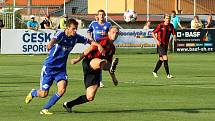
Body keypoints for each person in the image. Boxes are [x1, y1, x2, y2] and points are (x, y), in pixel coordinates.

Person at [25, 18, 104, 115]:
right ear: (67, 28)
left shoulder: (76, 37)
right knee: (43, 94)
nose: (75, 31)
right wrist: (50, 44)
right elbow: (54, 39)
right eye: (73, 29)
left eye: (76, 29)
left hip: (61, 69)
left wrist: (98, 45)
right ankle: (33, 93)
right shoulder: (61, 34)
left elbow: (89, 41)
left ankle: (45, 109)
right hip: (49, 68)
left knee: (62, 89)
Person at [63, 26, 119, 113]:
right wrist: (77, 59)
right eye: (113, 32)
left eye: (117, 33)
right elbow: (90, 48)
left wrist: (114, 78)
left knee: (90, 97)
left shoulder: (112, 48)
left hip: (97, 69)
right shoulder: (104, 41)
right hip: (89, 62)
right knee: (102, 62)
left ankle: (68, 104)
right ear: (108, 33)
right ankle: (105, 64)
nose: (115, 34)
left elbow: (110, 64)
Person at [87, 9, 111, 87]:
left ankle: (99, 80)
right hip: (94, 46)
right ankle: (94, 80)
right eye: (100, 14)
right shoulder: (93, 24)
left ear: (104, 16)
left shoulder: (108, 24)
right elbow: (88, 32)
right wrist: (90, 39)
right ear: (97, 16)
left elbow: (110, 34)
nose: (101, 16)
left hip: (103, 47)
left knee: (101, 63)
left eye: (103, 15)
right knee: (92, 63)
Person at [152, 14, 176, 79]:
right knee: (165, 58)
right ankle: (168, 74)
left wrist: (174, 37)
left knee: (161, 59)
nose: (168, 19)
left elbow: (174, 33)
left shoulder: (171, 26)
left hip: (165, 45)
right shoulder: (160, 25)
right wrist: (157, 41)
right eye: (167, 18)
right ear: (164, 19)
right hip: (160, 44)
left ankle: (154, 71)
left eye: (169, 18)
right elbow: (153, 33)